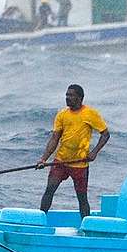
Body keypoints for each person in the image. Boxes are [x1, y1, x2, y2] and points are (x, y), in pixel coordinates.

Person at [36, 84, 110, 218]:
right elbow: (54, 139)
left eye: (71, 95)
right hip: (61, 161)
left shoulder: (90, 114)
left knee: (82, 198)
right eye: (66, 95)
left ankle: (86, 226)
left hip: (80, 164)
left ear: (80, 98)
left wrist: (94, 152)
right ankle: (40, 220)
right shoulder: (62, 115)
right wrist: (43, 159)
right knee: (49, 190)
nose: (67, 98)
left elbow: (105, 134)